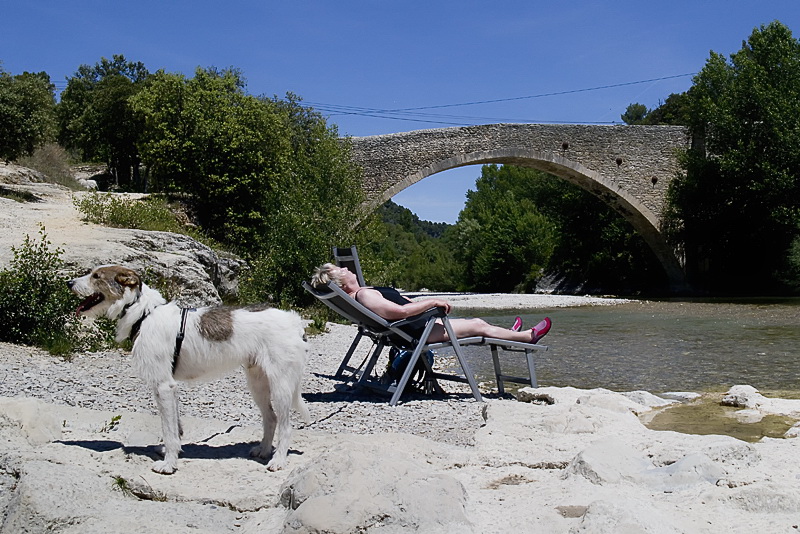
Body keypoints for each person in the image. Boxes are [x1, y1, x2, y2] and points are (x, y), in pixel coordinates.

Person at [311, 263, 551, 345]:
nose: (345, 268)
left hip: (410, 329)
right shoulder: (364, 296)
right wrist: (433, 302)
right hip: (416, 331)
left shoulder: (358, 296)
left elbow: (399, 311)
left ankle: (509, 335)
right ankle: (528, 337)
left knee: (474, 323)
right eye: (339, 270)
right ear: (341, 283)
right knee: (477, 324)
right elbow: (399, 312)